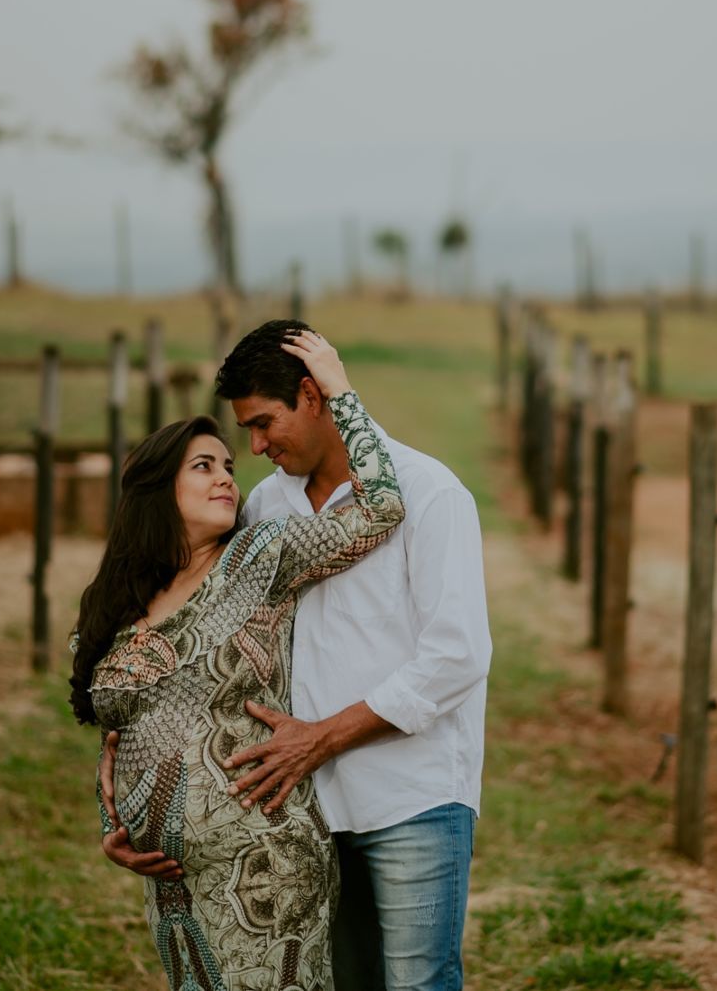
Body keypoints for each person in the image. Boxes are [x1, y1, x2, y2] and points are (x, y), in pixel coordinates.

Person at [71, 330, 402, 990]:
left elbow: (382, 507)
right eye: (204, 466)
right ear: (156, 488)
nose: (227, 475)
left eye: (228, 465)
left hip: (264, 865)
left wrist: (338, 391)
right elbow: (115, 730)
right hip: (172, 886)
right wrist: (115, 824)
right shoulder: (117, 603)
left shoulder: (259, 557)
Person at [213, 319, 491, 991]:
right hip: (305, 811)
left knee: (418, 984)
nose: (255, 447)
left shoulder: (429, 492)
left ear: (313, 397)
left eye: (263, 423)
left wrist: (321, 738)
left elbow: (456, 656)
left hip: (414, 798)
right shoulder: (266, 505)